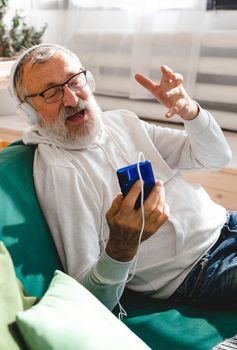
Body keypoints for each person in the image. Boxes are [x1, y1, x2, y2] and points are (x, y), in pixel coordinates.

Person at [9, 43, 236, 312]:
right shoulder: (60, 172)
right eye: (51, 93)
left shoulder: (121, 122)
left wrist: (191, 112)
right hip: (200, 269)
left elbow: (215, 157)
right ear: (29, 113)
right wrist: (121, 247)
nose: (71, 99)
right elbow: (89, 297)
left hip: (227, 223)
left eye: (74, 81)